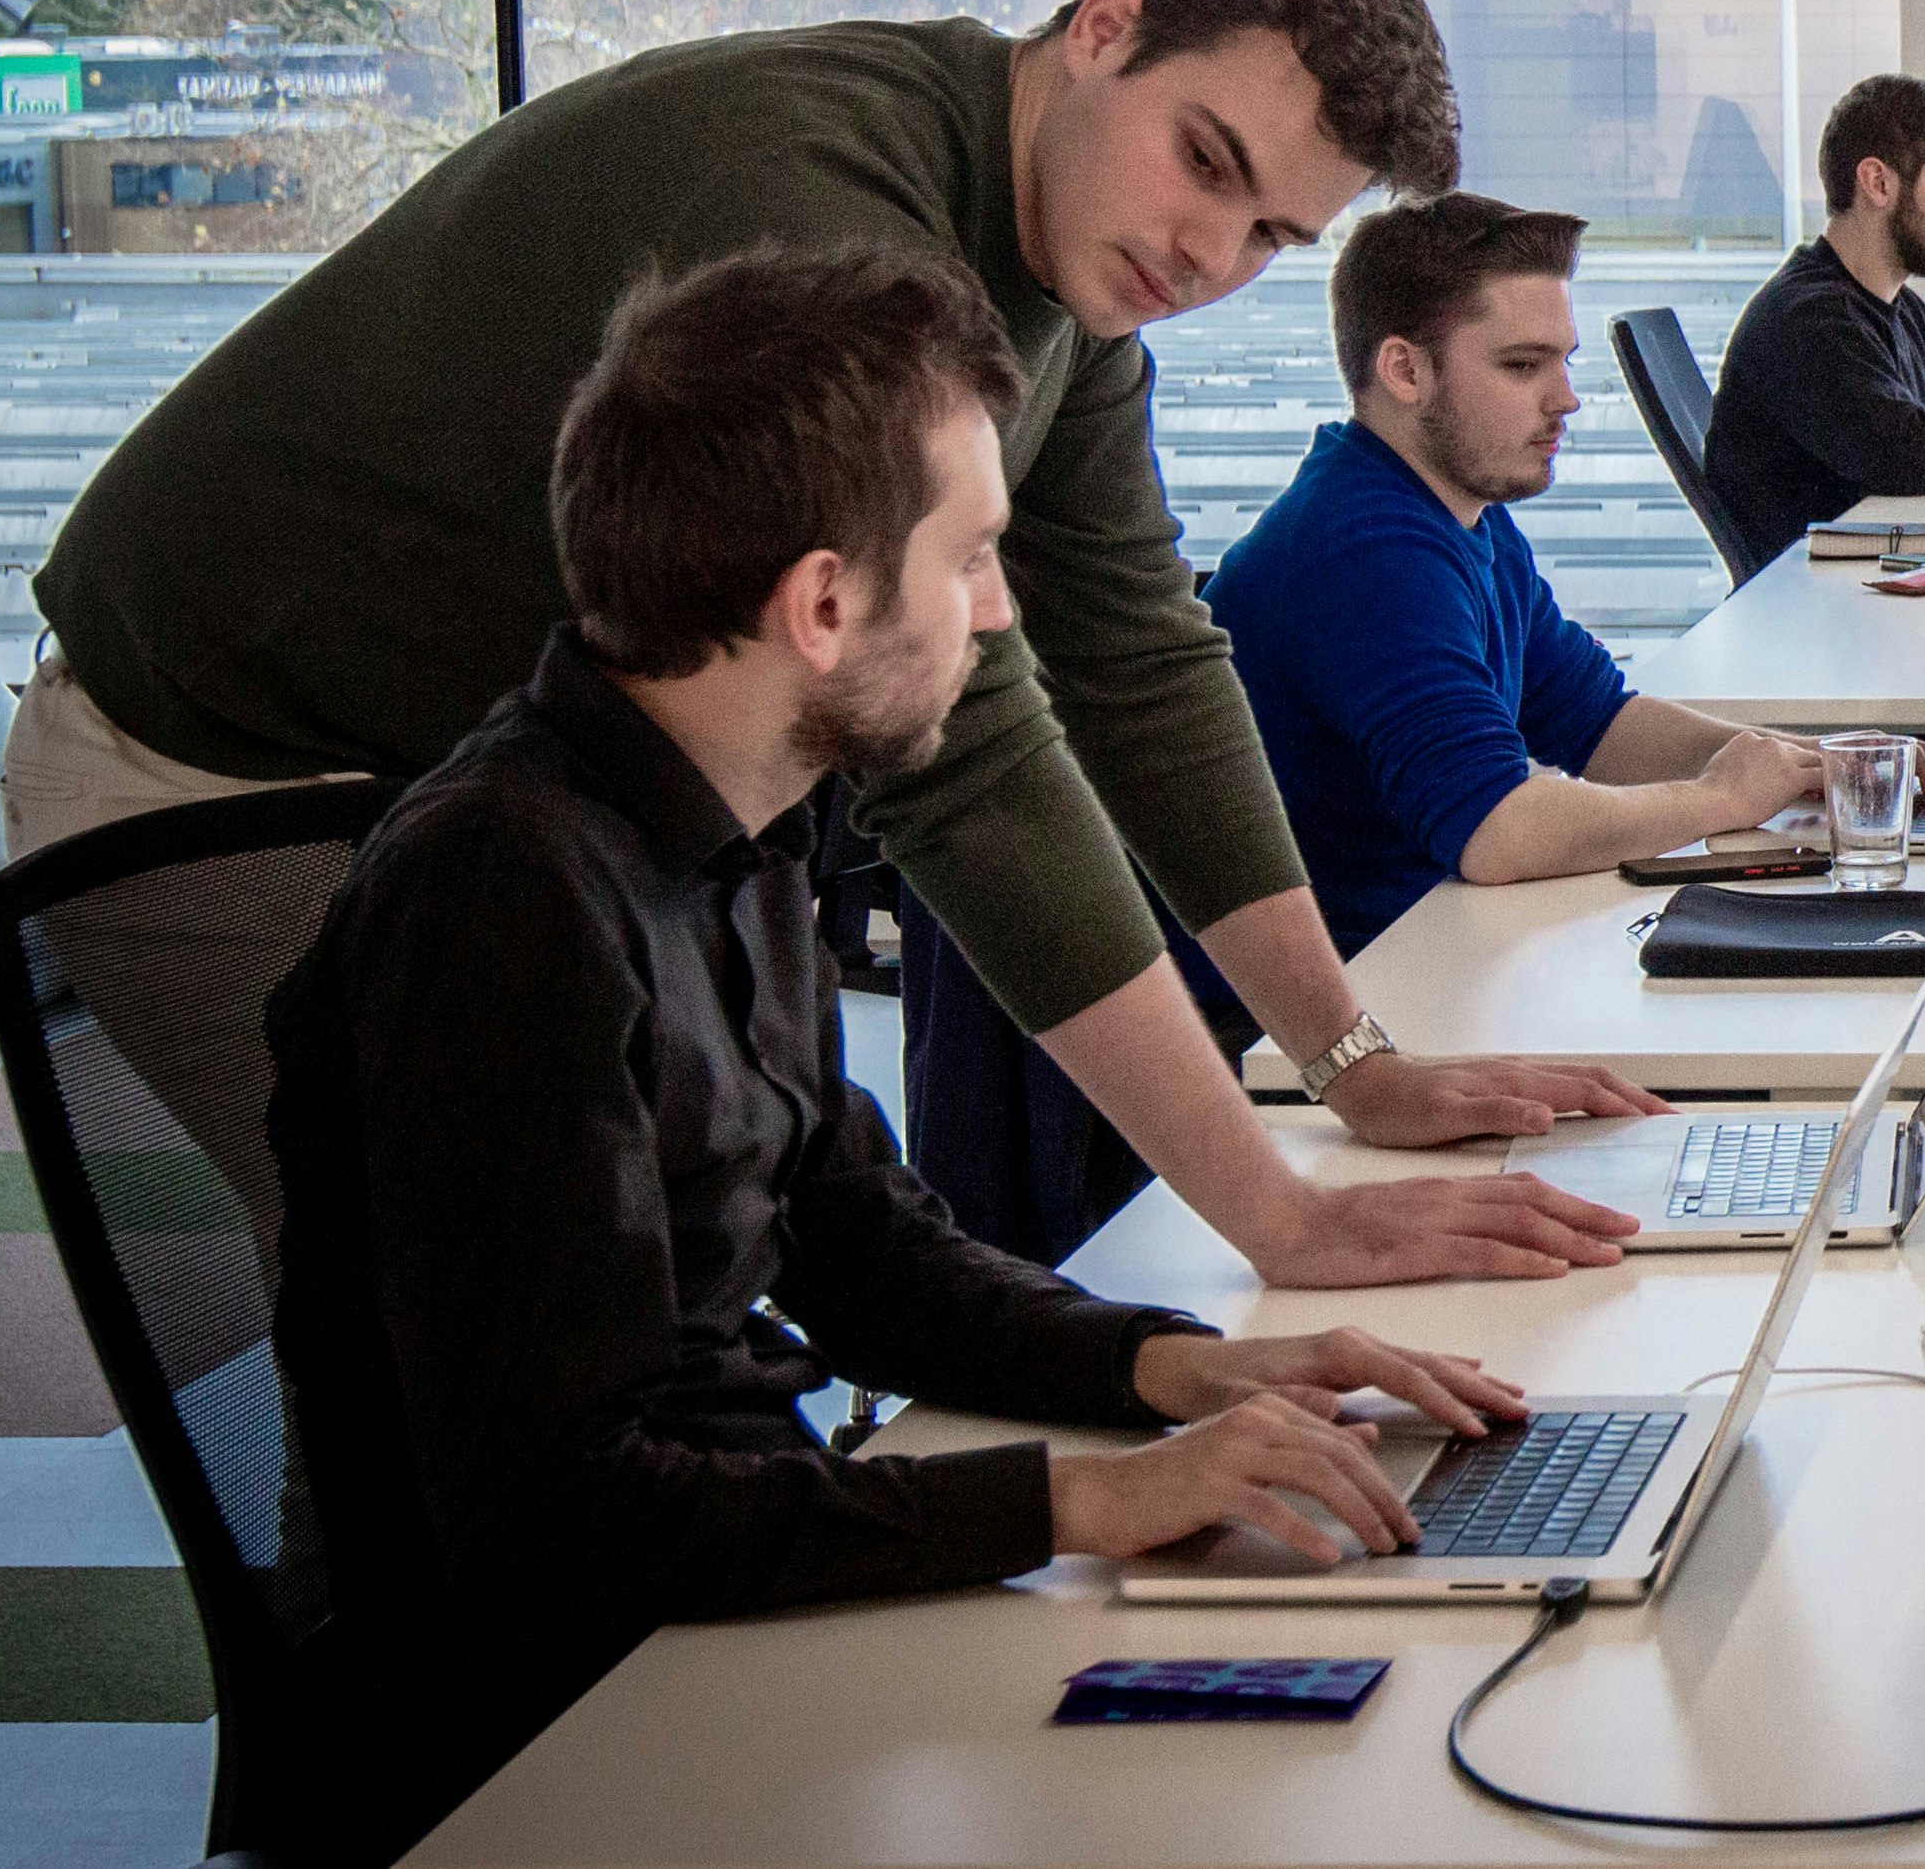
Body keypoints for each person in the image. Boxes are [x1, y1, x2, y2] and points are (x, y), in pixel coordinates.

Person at [27, 0, 1649, 1287]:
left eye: (1273, 235)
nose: (1209, 254)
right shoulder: (824, 216)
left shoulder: (1070, 277)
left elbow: (1139, 661)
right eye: (1205, 159)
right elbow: (970, 755)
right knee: (446, 1338)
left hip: (486, 781)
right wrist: (1273, 1210)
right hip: (222, 744)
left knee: (643, 1297)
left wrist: (1349, 1064)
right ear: (1102, 24)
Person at [264, 243, 1571, 1869]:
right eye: (970, 558)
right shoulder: (503, 901)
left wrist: (1178, 1368)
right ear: (821, 604)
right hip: (558, 1731)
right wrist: (1080, 1500)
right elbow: (566, 1517)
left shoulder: (742, 817)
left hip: (741, 1608)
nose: (1001, 613)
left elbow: (858, 1243)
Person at [1216, 194, 1925, 947]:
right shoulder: (1365, 547)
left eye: (1562, 361)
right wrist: (1718, 799)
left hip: (1419, 954)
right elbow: (1498, 831)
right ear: (1405, 371)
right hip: (1302, 1018)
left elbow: (1598, 722)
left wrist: (1812, 762)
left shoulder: (1462, 512)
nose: (1566, 399)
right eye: (1521, 365)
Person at [1698, 72, 1925, 572]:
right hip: (1818, 610)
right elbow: (1911, 454)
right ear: (1878, 183)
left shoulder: (1896, 307)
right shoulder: (1808, 321)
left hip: (1863, 587)